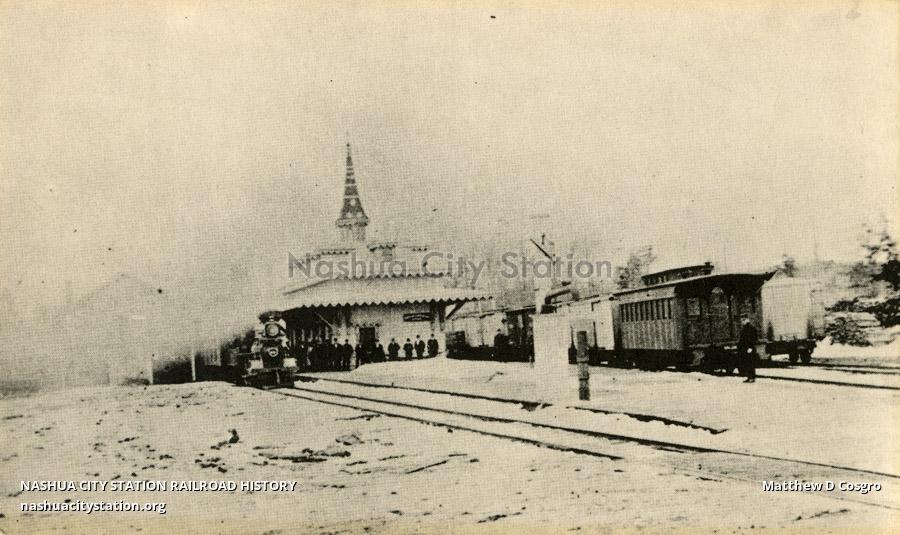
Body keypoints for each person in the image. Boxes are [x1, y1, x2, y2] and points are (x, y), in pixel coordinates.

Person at [737, 317, 758, 383]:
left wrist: (750, 347)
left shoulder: (750, 328)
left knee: (750, 363)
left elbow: (753, 338)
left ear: (746, 320)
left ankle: (751, 377)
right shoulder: (746, 328)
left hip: (749, 349)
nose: (742, 322)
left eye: (743, 320)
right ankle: (749, 377)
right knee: (747, 363)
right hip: (746, 349)